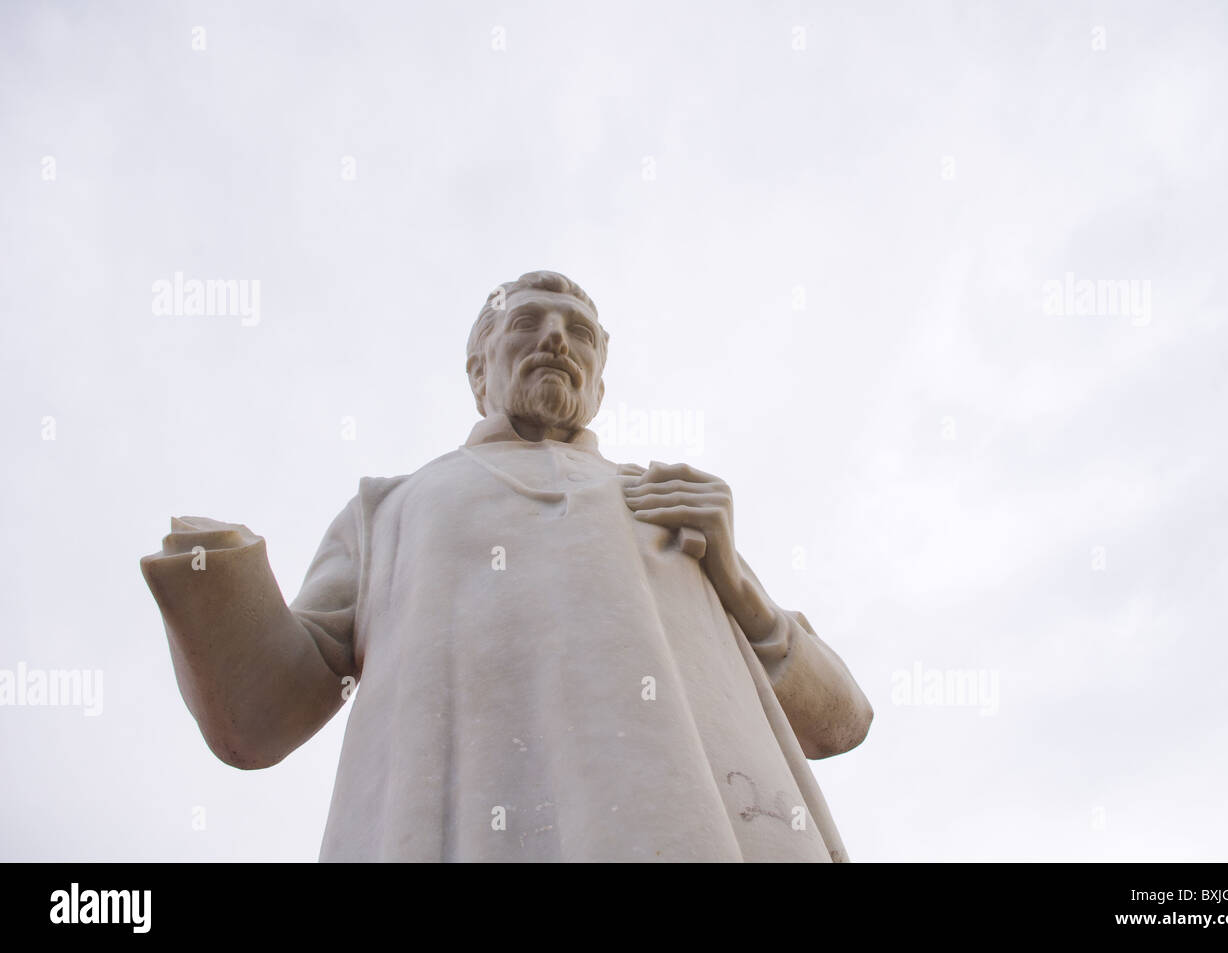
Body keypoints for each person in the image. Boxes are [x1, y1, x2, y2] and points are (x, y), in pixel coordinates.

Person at [141, 270, 872, 861]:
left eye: (579, 332)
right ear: (478, 370)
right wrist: (216, 580)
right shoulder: (393, 509)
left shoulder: (671, 501)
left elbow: (841, 720)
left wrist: (739, 585)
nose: (556, 338)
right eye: (528, 323)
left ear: (598, 380)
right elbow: (265, 715)